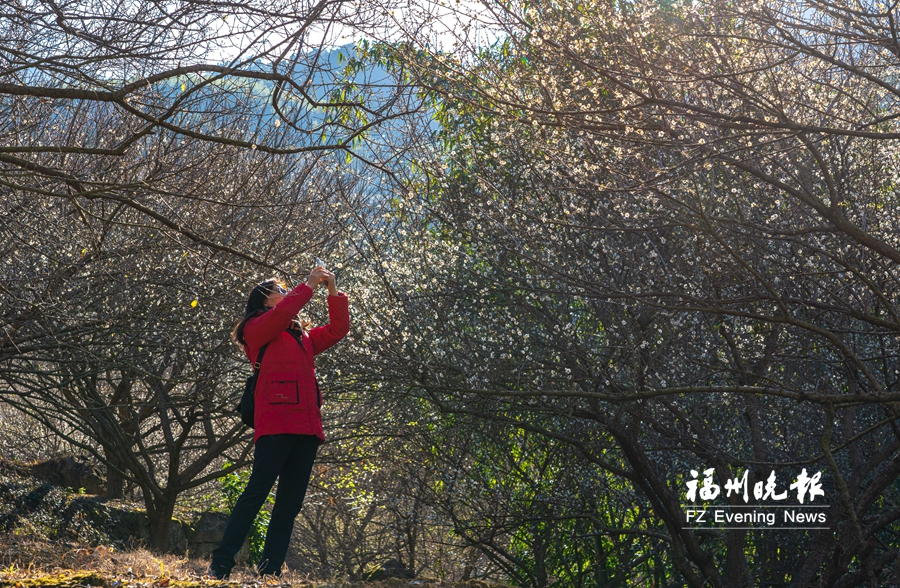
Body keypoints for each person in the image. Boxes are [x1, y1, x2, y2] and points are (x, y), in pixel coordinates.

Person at [210, 265, 349, 578]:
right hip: (275, 424)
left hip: (307, 428)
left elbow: (339, 329)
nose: (287, 294)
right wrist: (307, 286)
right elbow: (281, 315)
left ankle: (269, 571)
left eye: (288, 290)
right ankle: (221, 563)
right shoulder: (255, 328)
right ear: (265, 299)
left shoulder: (303, 337)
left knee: (289, 505)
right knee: (255, 495)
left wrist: (333, 292)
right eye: (281, 290)